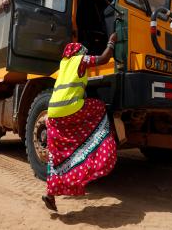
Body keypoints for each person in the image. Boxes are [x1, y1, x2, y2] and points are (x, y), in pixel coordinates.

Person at [41, 33, 118, 212]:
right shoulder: (81, 60)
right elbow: (105, 58)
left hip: (53, 112)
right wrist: (111, 42)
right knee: (99, 107)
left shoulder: (63, 64)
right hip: (70, 109)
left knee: (57, 155)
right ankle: (99, 143)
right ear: (79, 52)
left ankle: (50, 194)